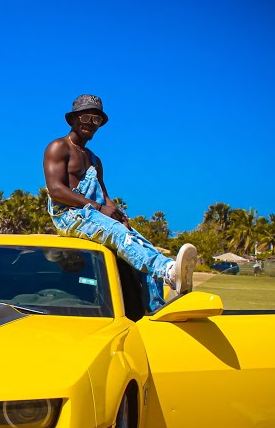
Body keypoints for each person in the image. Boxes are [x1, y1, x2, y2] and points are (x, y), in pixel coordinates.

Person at [42, 94, 197, 312]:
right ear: (73, 120)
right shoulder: (59, 147)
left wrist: (118, 215)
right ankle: (168, 272)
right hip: (69, 216)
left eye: (97, 120)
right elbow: (56, 190)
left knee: (138, 242)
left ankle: (156, 307)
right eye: (86, 117)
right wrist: (98, 208)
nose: (91, 124)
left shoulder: (94, 160)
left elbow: (104, 195)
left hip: (92, 215)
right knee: (119, 235)